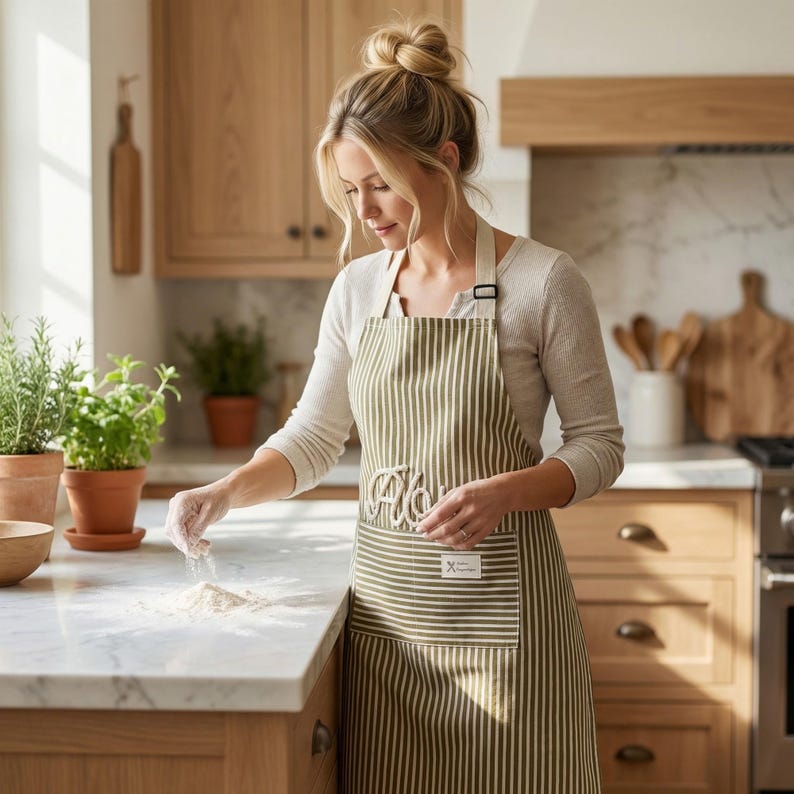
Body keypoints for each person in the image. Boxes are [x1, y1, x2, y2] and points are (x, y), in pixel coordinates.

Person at [165, 17, 624, 794]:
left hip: (506, 640)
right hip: (387, 633)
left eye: (379, 183)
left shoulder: (543, 282)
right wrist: (226, 491)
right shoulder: (358, 289)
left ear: (444, 160)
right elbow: (314, 437)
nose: (365, 210)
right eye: (351, 190)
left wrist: (506, 491)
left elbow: (599, 446)